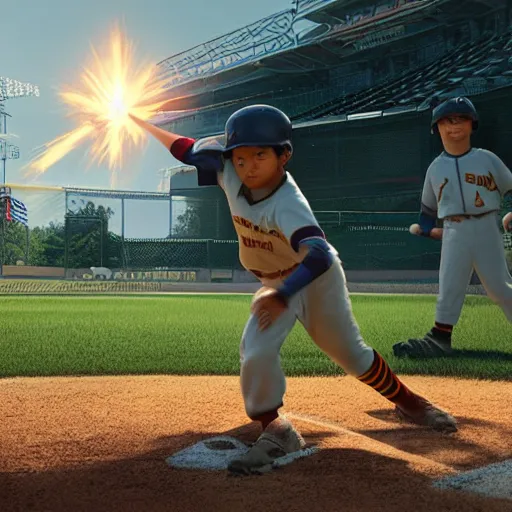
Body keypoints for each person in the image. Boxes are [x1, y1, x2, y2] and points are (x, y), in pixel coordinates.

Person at [130, 105, 457, 476]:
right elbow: (185, 148)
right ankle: (277, 429)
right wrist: (138, 121)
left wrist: (284, 293)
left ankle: (411, 403)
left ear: (284, 155)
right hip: (275, 284)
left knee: (352, 355)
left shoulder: (288, 203)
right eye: (239, 157)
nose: (248, 166)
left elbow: (317, 254)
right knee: (255, 352)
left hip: (315, 280)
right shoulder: (228, 172)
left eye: (259, 155)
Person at [394, 97, 512, 359]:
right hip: (453, 230)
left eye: (461, 119)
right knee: (449, 286)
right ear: (437, 128)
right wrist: (425, 228)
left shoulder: (487, 159)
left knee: (499, 287)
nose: (454, 125)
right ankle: (440, 338)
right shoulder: (436, 168)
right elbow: (427, 211)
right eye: (447, 120)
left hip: (486, 226)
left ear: (473, 125)